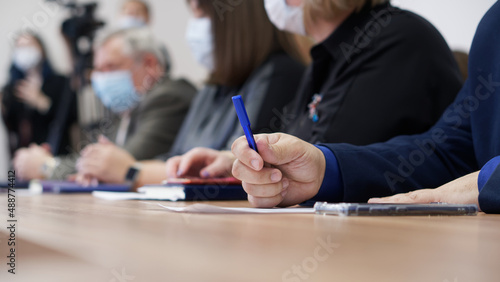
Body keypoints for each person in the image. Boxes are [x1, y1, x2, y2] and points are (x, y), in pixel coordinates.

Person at [230, 1, 500, 213]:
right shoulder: (494, 25)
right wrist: (324, 170)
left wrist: (488, 181)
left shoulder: (401, 40)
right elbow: (450, 150)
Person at [164, 0, 463, 179]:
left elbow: (326, 164)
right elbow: (303, 152)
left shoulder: (398, 40)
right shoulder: (325, 59)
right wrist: (234, 163)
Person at [74, 0, 307, 188]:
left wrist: (129, 172)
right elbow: (176, 158)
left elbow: (241, 170)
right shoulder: (211, 87)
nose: (192, 27)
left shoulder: (280, 74)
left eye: (197, 12)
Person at [12, 28, 196, 181]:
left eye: (110, 67)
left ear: (149, 64)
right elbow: (92, 160)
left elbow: (116, 167)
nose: (100, 78)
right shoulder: (125, 109)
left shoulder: (168, 98)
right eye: (98, 70)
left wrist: (47, 167)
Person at [1, 32, 72, 156]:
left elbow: (71, 118)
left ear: (41, 50)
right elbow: (11, 129)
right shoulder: (10, 89)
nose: (25, 50)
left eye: (29, 45)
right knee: (12, 176)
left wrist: (43, 103)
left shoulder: (60, 83)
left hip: (55, 156)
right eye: (20, 47)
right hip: (21, 158)